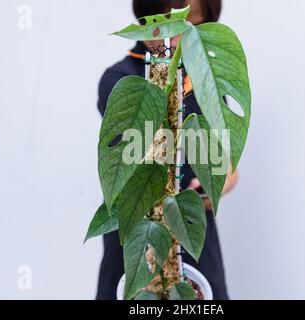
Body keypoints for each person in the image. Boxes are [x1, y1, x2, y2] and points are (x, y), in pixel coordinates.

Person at [96, 0, 237, 300]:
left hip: (192, 231)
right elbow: (139, 155)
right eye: (177, 24)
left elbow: (227, 164)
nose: (188, 36)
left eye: (196, 26)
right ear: (149, 19)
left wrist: (220, 183)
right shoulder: (121, 80)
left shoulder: (203, 81)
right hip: (138, 234)